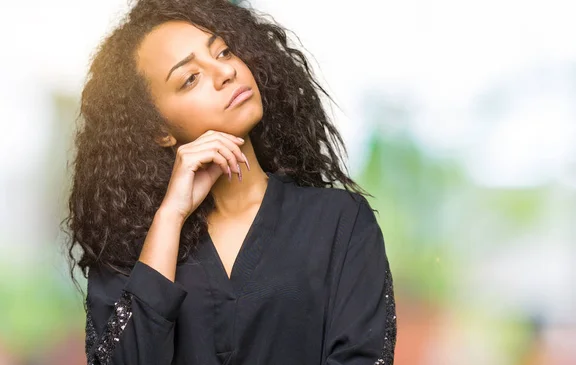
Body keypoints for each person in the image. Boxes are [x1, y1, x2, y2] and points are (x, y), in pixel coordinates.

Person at [64, 0, 397, 364]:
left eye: (223, 51)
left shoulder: (340, 222)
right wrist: (170, 217)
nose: (225, 72)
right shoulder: (127, 254)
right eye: (190, 78)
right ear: (158, 130)